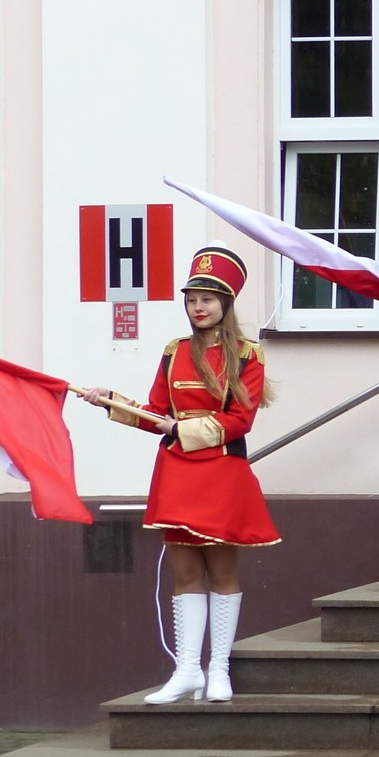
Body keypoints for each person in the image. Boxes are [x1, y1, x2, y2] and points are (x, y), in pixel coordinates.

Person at [82, 247, 278, 704]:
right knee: (185, 571)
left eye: (208, 299)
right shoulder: (174, 352)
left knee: (222, 570)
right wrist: (111, 400)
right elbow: (156, 413)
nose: (198, 307)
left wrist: (181, 429)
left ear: (226, 303)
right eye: (192, 299)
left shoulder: (248, 355)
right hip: (176, 472)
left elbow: (240, 421)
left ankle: (219, 669)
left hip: (222, 470)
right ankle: (188, 669)